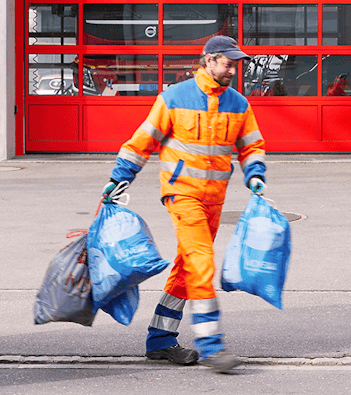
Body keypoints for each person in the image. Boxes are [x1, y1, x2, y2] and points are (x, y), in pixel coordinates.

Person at [102, 35, 267, 373]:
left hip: (214, 201)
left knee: (186, 266)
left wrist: (255, 173)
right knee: (202, 263)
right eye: (227, 62)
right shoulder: (174, 98)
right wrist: (119, 177)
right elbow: (141, 142)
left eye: (235, 63)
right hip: (183, 196)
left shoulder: (238, 104)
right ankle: (212, 346)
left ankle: (161, 340)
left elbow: (251, 145)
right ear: (208, 61)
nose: (233, 69)